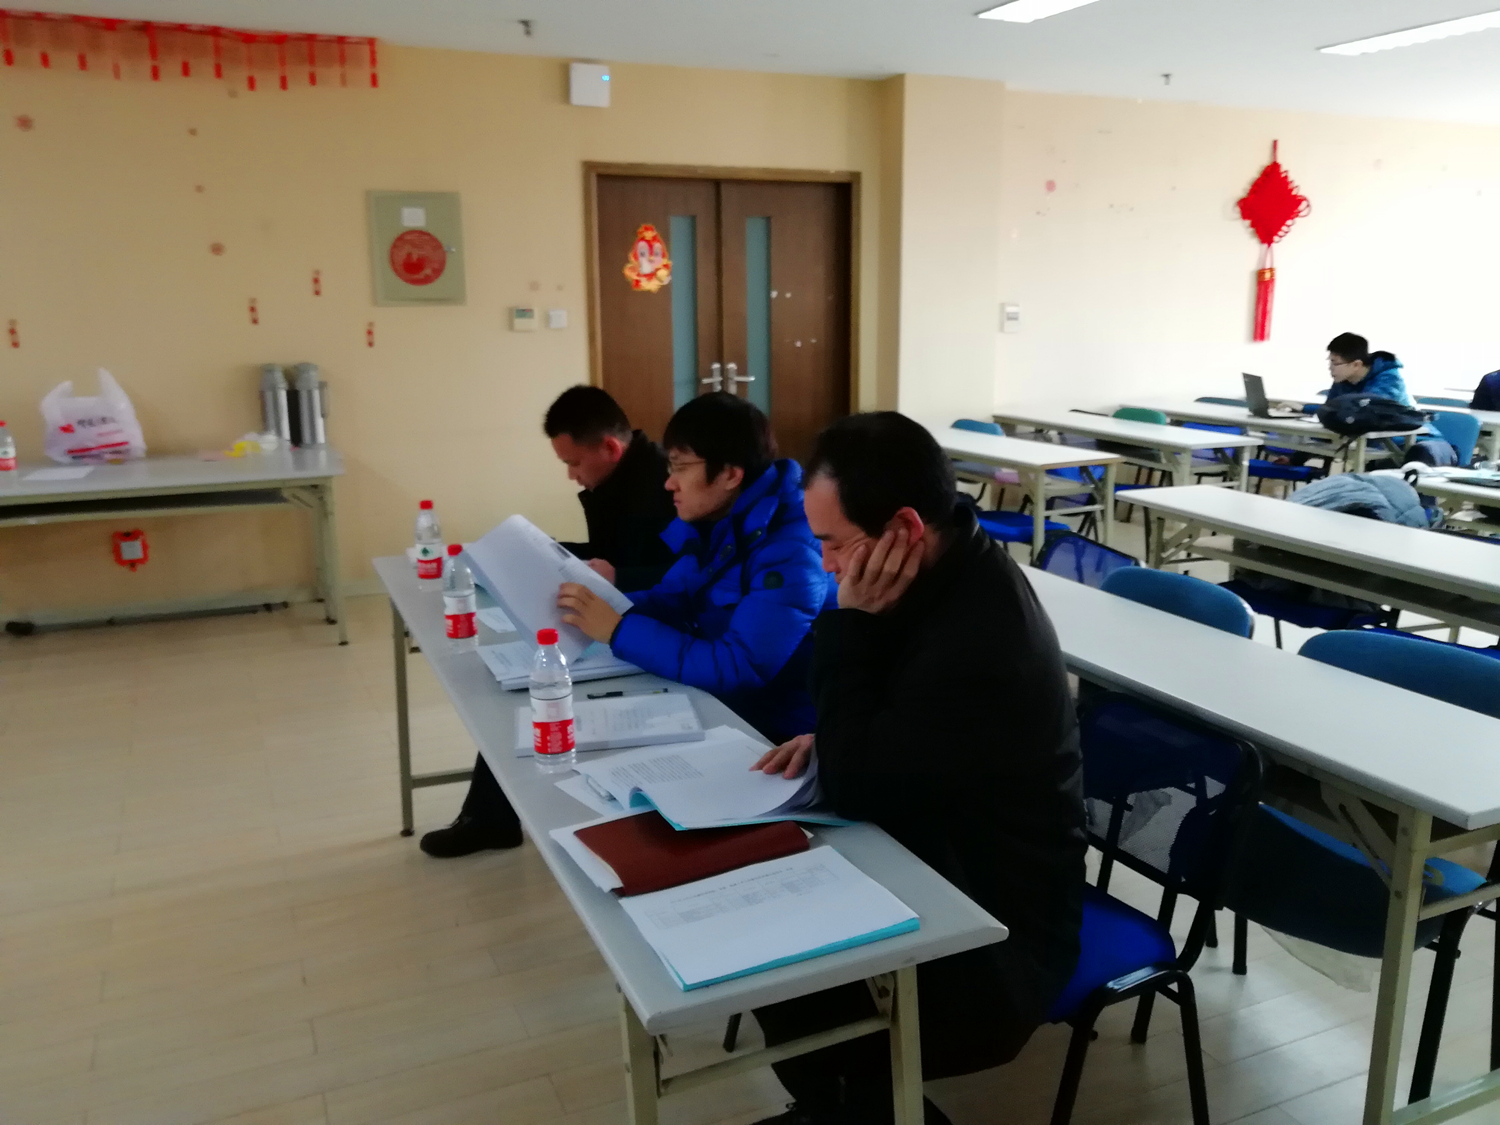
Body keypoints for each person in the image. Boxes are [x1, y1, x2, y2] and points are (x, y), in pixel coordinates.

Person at [747, 412, 1087, 1125]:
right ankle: (838, 1105)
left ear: (904, 527)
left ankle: (864, 1107)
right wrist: (840, 732)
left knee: (789, 970)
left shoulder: (979, 637)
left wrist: (849, 632)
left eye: (833, 543)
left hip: (998, 937)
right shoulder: (940, 571)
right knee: (771, 940)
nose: (827, 565)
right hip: (939, 855)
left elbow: (859, 786)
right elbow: (891, 735)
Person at [419, 386, 675, 859]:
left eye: (574, 463)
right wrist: (547, 552)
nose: (571, 476)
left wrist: (620, 575)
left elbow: (688, 574)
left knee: (538, 685)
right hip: (615, 617)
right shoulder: (620, 479)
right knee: (529, 677)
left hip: (648, 626)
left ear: (610, 447)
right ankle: (491, 816)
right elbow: (609, 555)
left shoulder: (661, 485)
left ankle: (491, 819)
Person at [557, 392, 836, 746]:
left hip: (778, 735)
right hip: (727, 706)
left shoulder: (791, 550)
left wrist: (617, 630)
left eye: (681, 467)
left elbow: (738, 666)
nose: (669, 483)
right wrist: (600, 605)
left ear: (730, 475)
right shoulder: (718, 524)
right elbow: (673, 598)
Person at [1325, 332, 1413, 406]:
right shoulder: (1343, 379)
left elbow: (1374, 408)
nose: (1330, 368)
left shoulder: (1389, 378)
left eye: (1335, 363)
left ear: (1356, 365)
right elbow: (1329, 409)